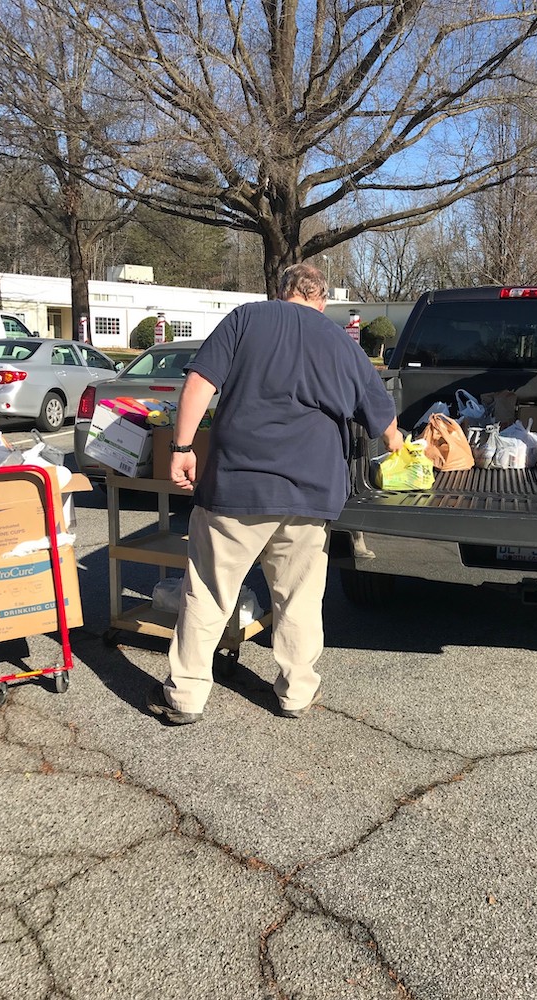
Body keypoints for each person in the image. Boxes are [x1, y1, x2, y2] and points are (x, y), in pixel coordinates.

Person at [146, 263, 403, 725]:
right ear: (321, 300)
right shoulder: (343, 345)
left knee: (208, 591)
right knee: (299, 599)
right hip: (312, 490)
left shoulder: (247, 318)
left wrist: (182, 447)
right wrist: (401, 451)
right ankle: (295, 694)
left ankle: (186, 697)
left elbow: (200, 382)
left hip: (237, 485)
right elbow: (387, 430)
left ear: (281, 292)